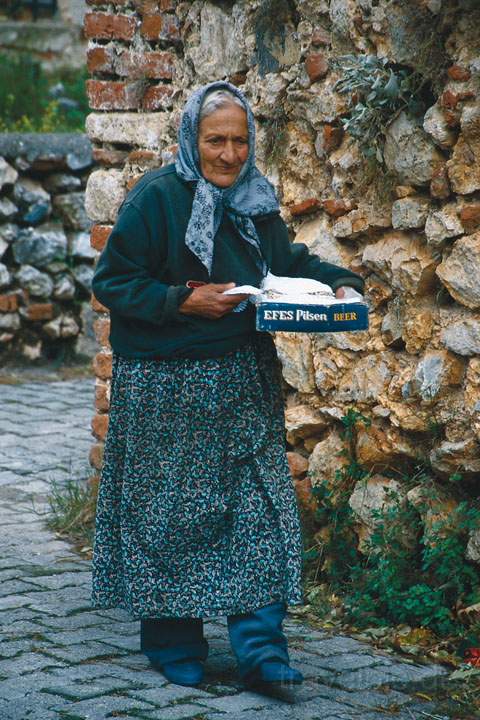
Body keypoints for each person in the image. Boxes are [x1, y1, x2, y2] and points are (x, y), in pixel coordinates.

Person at [90, 80, 365, 690]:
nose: (230, 154)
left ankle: (261, 651)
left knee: (258, 512)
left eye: (241, 141)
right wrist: (183, 301)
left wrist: (341, 283)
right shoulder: (156, 199)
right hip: (167, 386)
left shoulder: (253, 201)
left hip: (242, 382)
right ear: (192, 138)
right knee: (171, 515)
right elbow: (112, 283)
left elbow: (286, 264)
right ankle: (172, 641)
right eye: (216, 140)